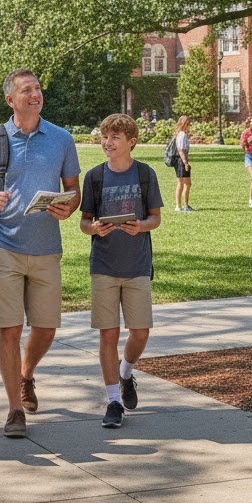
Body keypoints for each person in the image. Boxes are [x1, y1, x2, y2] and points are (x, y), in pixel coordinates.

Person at [0, 69, 81, 438]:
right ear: (10, 100)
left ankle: (26, 375)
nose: (35, 94)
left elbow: (73, 189)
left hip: (46, 246)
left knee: (46, 329)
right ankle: (14, 408)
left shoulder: (61, 139)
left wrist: (69, 206)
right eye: (26, 90)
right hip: (4, 245)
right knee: (10, 328)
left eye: (38, 88)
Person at [79, 114, 162, 428]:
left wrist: (140, 226)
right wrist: (94, 229)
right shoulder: (95, 177)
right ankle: (113, 401)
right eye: (104, 137)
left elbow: (155, 218)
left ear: (131, 142)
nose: (107, 143)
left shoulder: (144, 174)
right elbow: (84, 221)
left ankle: (126, 373)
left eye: (114, 137)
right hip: (103, 266)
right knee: (108, 334)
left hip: (137, 265)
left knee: (140, 332)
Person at [173, 115, 193, 212]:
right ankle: (179, 205)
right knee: (181, 183)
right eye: (187, 124)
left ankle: (185, 204)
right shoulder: (182, 135)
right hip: (181, 161)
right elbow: (180, 150)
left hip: (183, 160)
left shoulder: (182, 134)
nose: (189, 126)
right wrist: (185, 162)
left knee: (188, 183)